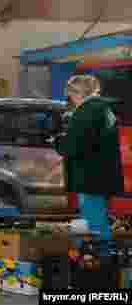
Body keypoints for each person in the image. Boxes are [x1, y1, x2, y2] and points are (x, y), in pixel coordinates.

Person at [55, 74, 122, 242]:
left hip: (89, 176)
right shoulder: (105, 108)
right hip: (104, 174)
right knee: (100, 220)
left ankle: (101, 260)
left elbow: (74, 146)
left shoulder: (86, 111)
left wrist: (58, 141)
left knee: (95, 226)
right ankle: (104, 258)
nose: (70, 99)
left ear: (78, 92)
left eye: (70, 94)